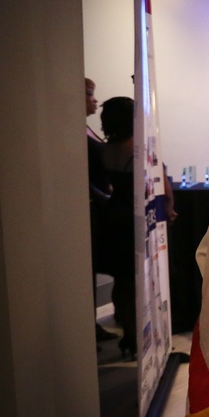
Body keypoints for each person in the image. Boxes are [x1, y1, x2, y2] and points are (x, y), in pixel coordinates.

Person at [99, 97, 138, 358]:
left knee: (121, 278)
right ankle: (135, 338)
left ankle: (126, 331)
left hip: (111, 216)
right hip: (132, 217)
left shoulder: (103, 149)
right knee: (134, 281)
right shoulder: (135, 148)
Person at [85, 78, 116, 343]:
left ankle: (91, 324)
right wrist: (104, 196)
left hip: (102, 208)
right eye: (89, 95)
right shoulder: (74, 133)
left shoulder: (86, 129)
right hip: (92, 210)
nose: (94, 100)